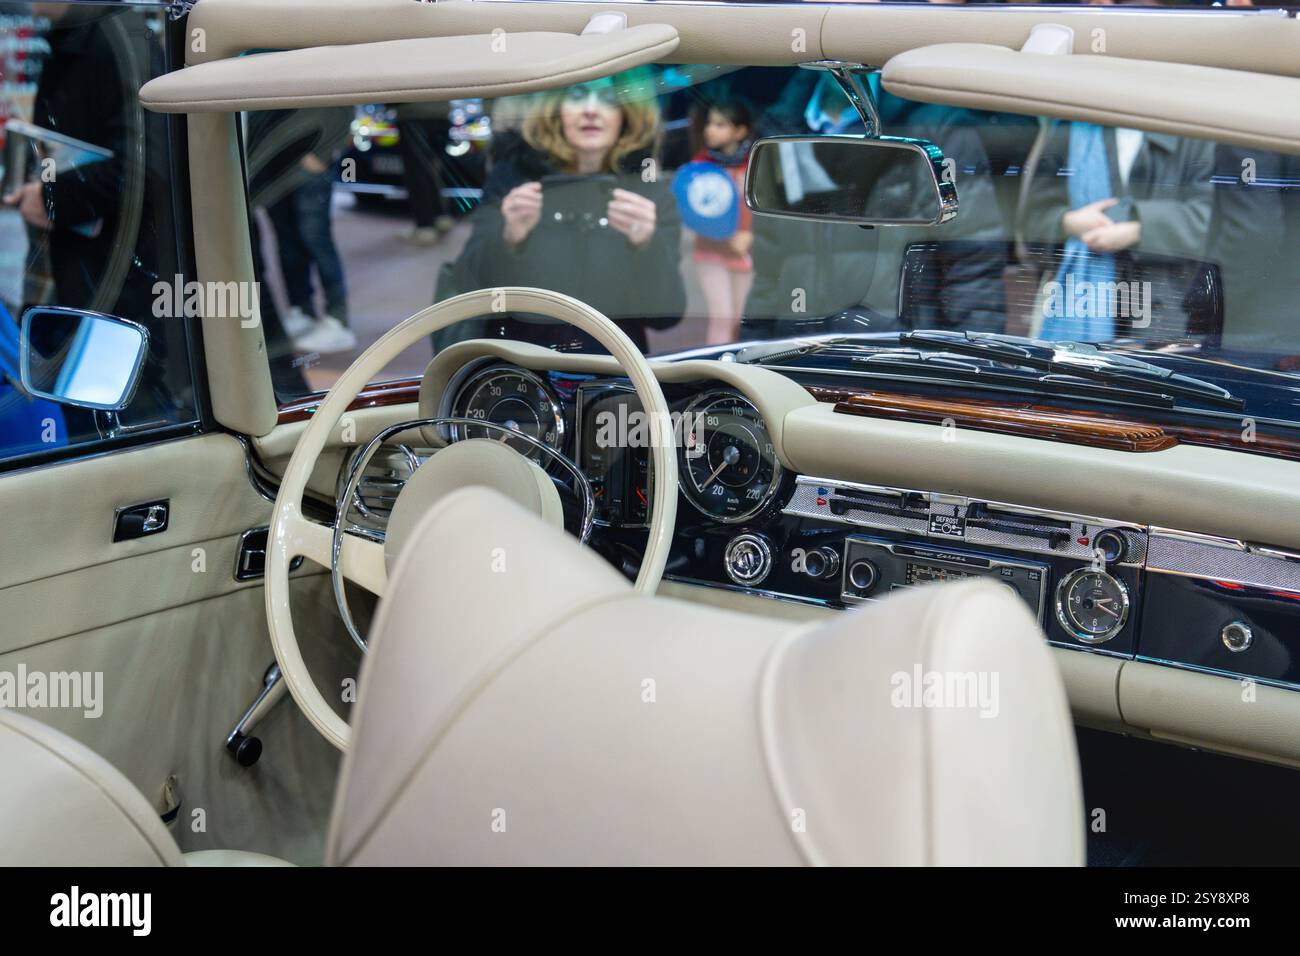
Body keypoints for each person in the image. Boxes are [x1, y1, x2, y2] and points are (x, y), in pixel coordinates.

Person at [442, 70, 685, 353]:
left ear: (628, 114)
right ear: (556, 109)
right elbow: (467, 285)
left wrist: (648, 245)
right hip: (520, 368)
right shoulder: (515, 177)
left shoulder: (648, 195)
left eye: (609, 99)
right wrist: (507, 237)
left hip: (614, 373)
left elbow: (667, 316)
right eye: (578, 96)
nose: (591, 110)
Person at [248, 107, 356, 354]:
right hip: (273, 167)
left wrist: (324, 153)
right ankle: (302, 309)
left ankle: (338, 320)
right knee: (286, 242)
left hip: (306, 164)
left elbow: (343, 99)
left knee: (315, 238)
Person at [689, 99, 755, 345]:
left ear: (740, 131)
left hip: (745, 251)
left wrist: (751, 235)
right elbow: (693, 212)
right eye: (709, 123)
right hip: (710, 251)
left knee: (739, 318)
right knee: (721, 317)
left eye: (720, 124)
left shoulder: (754, 163)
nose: (710, 129)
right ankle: (717, 371)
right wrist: (725, 237)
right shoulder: (699, 165)